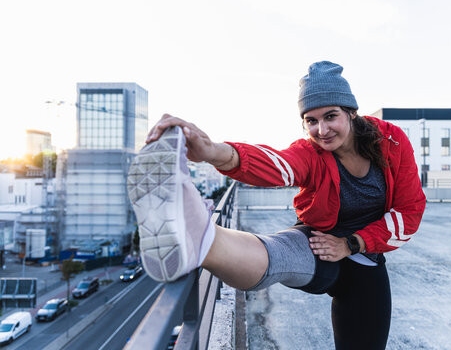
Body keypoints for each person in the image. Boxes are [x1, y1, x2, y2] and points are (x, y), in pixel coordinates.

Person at [127, 61, 426, 350]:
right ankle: (201, 237)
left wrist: (351, 243)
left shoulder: (392, 141)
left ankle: (197, 232)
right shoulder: (311, 151)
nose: (322, 130)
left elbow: (410, 210)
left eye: (330, 116)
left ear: (351, 112)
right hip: (318, 240)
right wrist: (213, 151)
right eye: (311, 120)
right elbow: (277, 165)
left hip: (364, 254)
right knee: (278, 253)